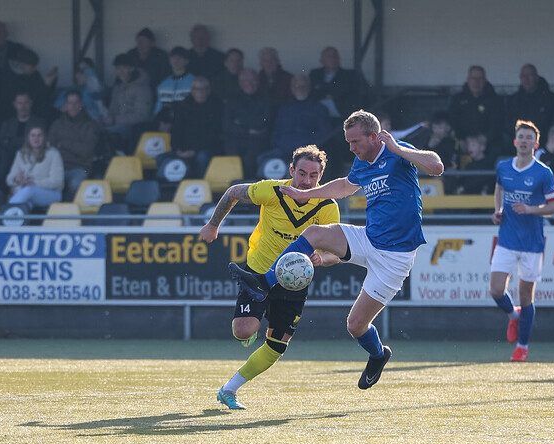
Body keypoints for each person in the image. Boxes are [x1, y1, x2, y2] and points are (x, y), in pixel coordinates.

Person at [228, 110, 443, 390]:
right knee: (315, 233)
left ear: (373, 136)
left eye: (355, 142)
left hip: (396, 257)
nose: (351, 148)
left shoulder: (397, 153)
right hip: (369, 239)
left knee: (355, 325)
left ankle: (378, 355)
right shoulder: (362, 163)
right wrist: (306, 194)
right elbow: (344, 186)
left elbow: (436, 166)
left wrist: (399, 148)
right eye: (349, 142)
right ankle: (264, 282)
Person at [199, 145, 341, 410]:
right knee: (244, 330)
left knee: (276, 346)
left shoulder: (327, 207)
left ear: (321, 176)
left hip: (294, 283)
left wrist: (321, 258)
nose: (306, 181)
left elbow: (336, 252)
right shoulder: (273, 191)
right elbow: (232, 193)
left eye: (313, 175)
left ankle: (229, 390)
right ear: (291, 171)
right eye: (301, 173)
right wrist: (213, 225)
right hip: (258, 273)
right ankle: (248, 332)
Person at [489, 120, 554, 362]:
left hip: (532, 243)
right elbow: (499, 188)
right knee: (496, 289)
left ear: (536, 143)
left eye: (529, 137)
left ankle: (522, 346)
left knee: (525, 295)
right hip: (507, 238)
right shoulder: (503, 167)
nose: (524, 141)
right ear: (515, 141)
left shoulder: (543, 172)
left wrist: (530, 209)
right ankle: (513, 315)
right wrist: (498, 210)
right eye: (521, 136)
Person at [48, 91, 101, 200]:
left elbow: (86, 151)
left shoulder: (90, 125)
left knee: (75, 184)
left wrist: (62, 143)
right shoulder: (57, 124)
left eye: (76, 103)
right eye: (70, 103)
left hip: (82, 168)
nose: (73, 106)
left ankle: (70, 213)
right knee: (48, 184)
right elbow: (50, 147)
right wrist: (75, 146)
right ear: (65, 105)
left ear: (81, 104)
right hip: (58, 167)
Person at [169, 76, 223, 176]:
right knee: (162, 158)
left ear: (208, 90)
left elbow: (215, 135)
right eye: (196, 89)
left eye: (203, 89)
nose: (200, 92)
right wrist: (177, 150)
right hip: (183, 148)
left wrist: (194, 150)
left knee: (202, 157)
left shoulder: (217, 106)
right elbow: (176, 130)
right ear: (192, 90)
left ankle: (200, 185)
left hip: (206, 148)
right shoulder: (183, 106)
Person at [5, 125, 63, 208]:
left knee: (28, 191)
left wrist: (34, 183)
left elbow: (57, 181)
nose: (36, 138)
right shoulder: (21, 154)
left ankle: (4, 215)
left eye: (39, 135)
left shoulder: (53, 153)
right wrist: (17, 179)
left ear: (44, 137)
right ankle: (12, 218)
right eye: (33, 135)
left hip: (51, 193)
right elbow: (9, 179)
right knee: (25, 201)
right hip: (24, 192)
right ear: (28, 138)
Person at [448, 65, 504, 149]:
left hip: (487, 144)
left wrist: (485, 138)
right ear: (468, 80)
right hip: (463, 143)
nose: (476, 82)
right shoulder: (457, 100)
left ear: (485, 80)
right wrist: (461, 138)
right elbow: (452, 121)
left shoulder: (495, 100)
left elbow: (498, 124)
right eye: (473, 78)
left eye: (480, 79)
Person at [505, 64, 554, 144]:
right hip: (518, 140)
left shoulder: (550, 98)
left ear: (536, 77)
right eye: (523, 76)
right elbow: (509, 123)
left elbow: (552, 123)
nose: (526, 79)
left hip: (543, 140)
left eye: (530, 75)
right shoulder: (513, 100)